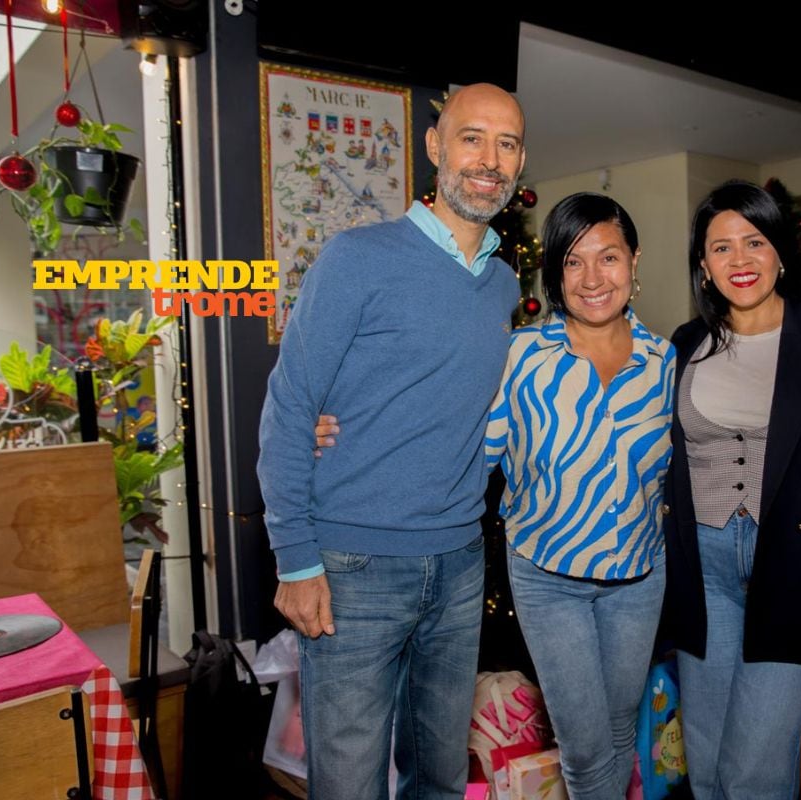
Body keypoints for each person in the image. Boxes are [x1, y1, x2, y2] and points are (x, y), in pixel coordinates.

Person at [317, 193, 675, 799]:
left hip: (640, 574)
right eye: (573, 261)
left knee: (619, 734)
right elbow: (458, 440)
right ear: (554, 273)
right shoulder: (522, 357)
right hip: (548, 573)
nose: (593, 278)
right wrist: (342, 431)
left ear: (634, 261)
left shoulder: (663, 360)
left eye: (608, 258)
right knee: (587, 749)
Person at [257, 83, 526, 800]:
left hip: (461, 565)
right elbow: (290, 406)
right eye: (473, 138)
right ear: (436, 147)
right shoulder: (357, 258)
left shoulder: (503, 284)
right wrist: (296, 558)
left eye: (507, 144)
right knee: (347, 785)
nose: (490, 160)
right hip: (353, 567)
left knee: (439, 778)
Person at [660, 180, 801, 800]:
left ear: (780, 251)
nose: (739, 261)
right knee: (705, 762)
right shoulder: (684, 344)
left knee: (754, 770)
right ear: (703, 266)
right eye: (721, 248)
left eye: (753, 242)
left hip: (792, 565)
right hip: (702, 570)